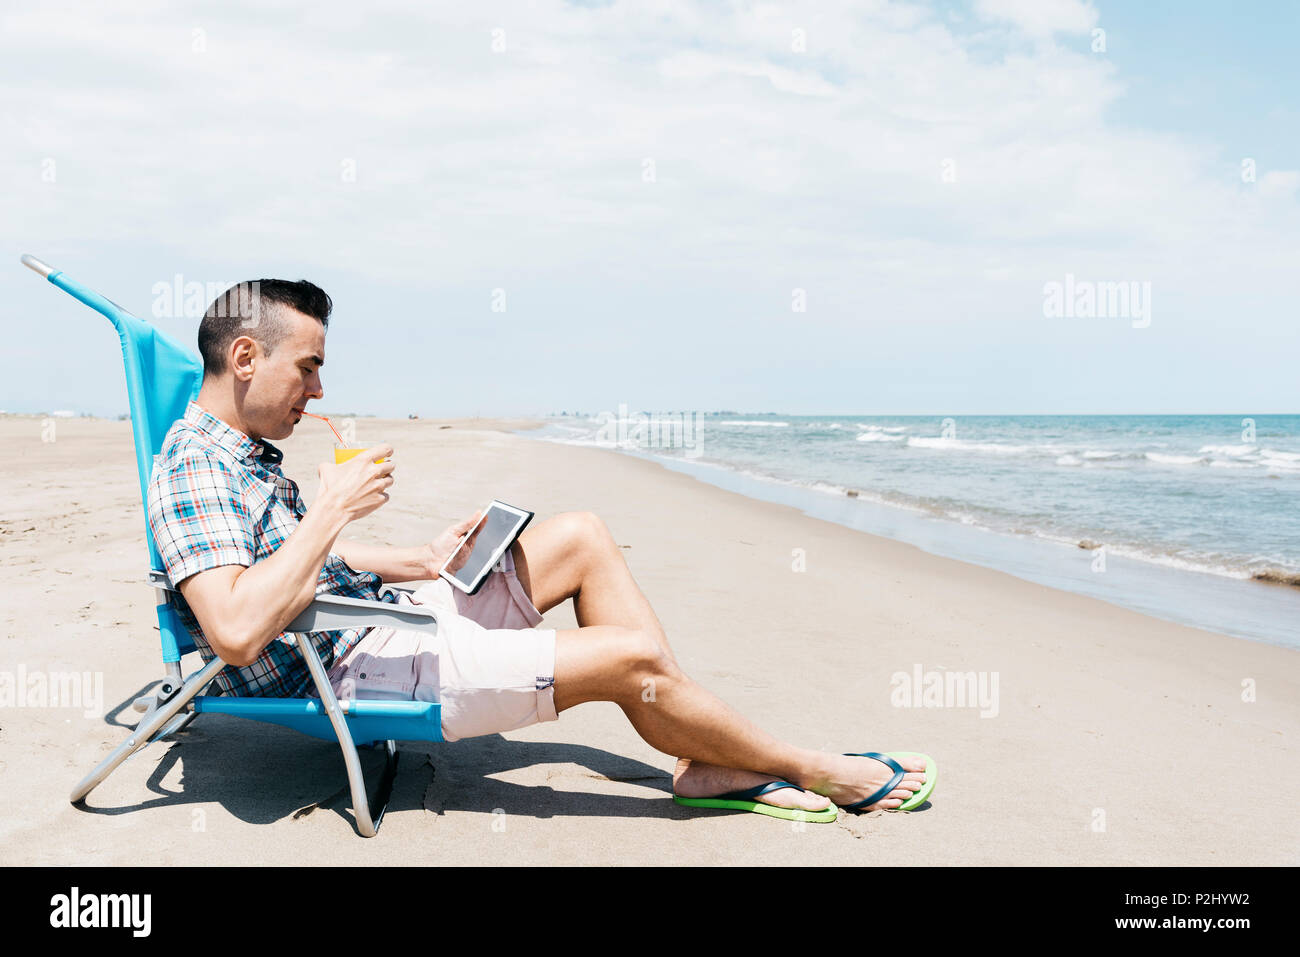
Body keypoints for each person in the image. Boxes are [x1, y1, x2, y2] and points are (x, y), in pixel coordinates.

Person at [146, 278, 931, 819]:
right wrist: (329, 511)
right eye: (308, 367)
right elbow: (239, 627)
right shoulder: (192, 463)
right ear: (246, 358)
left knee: (582, 535)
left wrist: (414, 557)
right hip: (356, 665)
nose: (318, 391)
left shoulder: (243, 455)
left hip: (383, 618)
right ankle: (802, 763)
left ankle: (703, 745)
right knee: (627, 654)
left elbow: (289, 571)